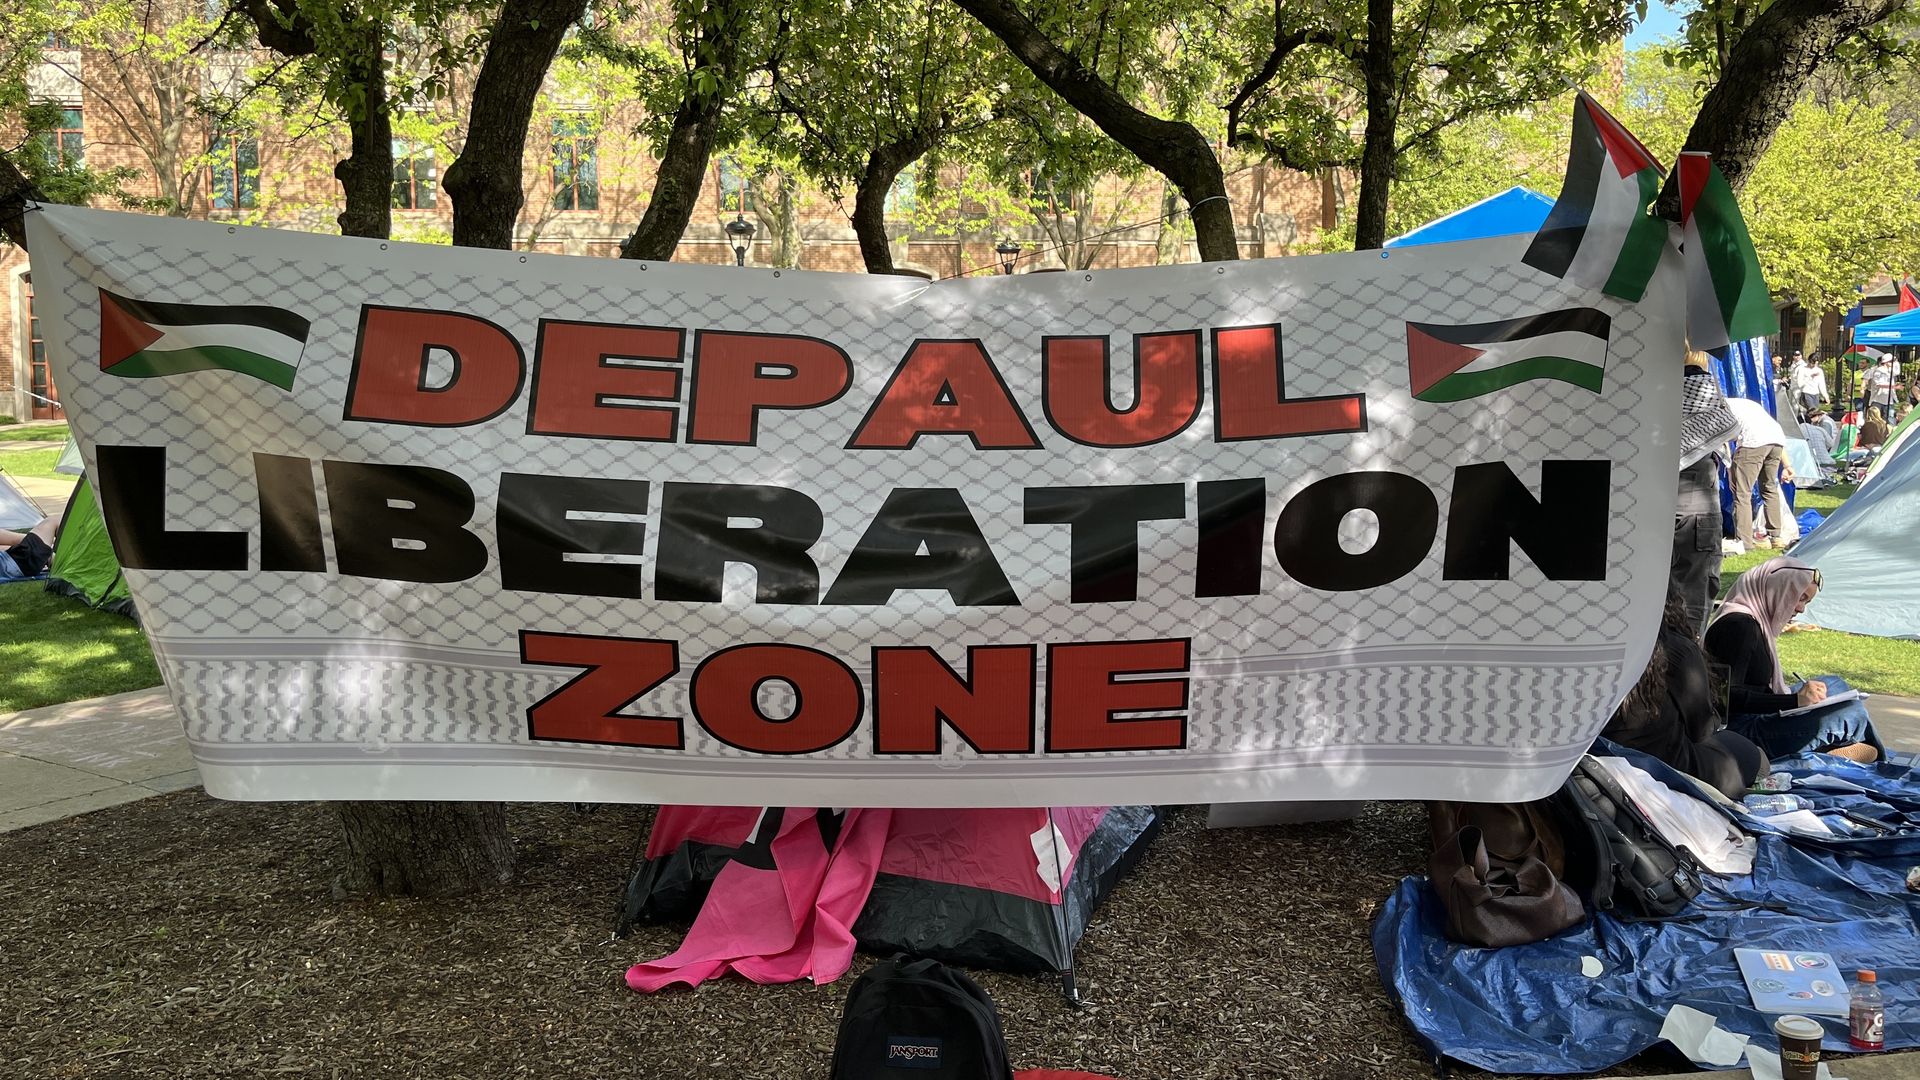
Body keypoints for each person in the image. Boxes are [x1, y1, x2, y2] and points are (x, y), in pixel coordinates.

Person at [1705, 557, 1884, 762]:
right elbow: (1724, 697)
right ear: (1777, 589)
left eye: (1806, 601)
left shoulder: (1754, 620)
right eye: (1800, 598)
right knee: (1852, 712)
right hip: (1741, 731)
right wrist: (1794, 701)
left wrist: (1798, 701)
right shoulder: (1740, 627)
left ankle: (1839, 750)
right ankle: (1874, 761)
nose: (1801, 609)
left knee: (1835, 684)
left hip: (1757, 714)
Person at [1604, 591, 1766, 798]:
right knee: (1756, 757)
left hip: (1612, 757)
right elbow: (1702, 730)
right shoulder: (1678, 648)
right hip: (1671, 768)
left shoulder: (1602, 644)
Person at [1673, 351, 1739, 636]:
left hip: (1659, 489)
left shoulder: (1643, 381)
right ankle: (1687, 659)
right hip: (1693, 497)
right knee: (1695, 587)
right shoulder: (1697, 384)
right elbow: (1727, 427)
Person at [1726, 395, 1789, 549]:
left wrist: (1729, 469)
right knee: (1769, 488)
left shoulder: (1719, 407)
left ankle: (1744, 542)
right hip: (1777, 441)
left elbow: (1722, 441)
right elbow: (1770, 434)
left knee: (1742, 493)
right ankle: (1776, 536)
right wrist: (1787, 466)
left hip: (1752, 443)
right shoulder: (1746, 404)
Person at [0, 516, 56, 581]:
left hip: (13, 565)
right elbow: (13, 540)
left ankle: (55, 558)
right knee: (53, 521)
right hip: (16, 565)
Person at [1789, 351, 1827, 415]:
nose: (1812, 365)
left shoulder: (1819, 371)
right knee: (1812, 411)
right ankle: (1806, 423)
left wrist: (1825, 395)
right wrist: (1809, 377)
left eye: (1815, 363)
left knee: (1815, 412)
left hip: (1815, 393)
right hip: (1806, 393)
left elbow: (1821, 384)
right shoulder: (1803, 369)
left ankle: (1812, 424)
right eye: (1811, 363)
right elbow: (1800, 383)